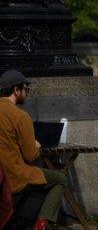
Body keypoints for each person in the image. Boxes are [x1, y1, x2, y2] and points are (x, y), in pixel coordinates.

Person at [0, 70, 65, 230]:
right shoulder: (20, 116)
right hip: (14, 177)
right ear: (16, 90)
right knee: (60, 179)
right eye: (25, 89)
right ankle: (41, 224)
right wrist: (36, 145)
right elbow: (30, 156)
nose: (26, 93)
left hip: (2, 175)